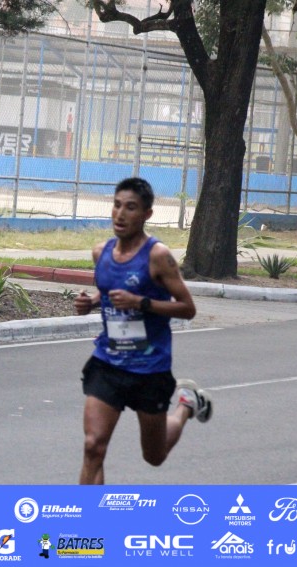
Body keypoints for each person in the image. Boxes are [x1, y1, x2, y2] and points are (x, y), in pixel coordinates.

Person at [73, 177, 212, 485]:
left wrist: (141, 302)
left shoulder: (158, 256)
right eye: (117, 205)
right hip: (108, 362)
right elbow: (108, 291)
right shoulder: (101, 253)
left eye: (131, 207)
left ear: (147, 214)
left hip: (149, 369)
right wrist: (91, 302)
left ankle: (186, 405)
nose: (120, 214)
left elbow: (188, 308)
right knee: (93, 446)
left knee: (155, 455)